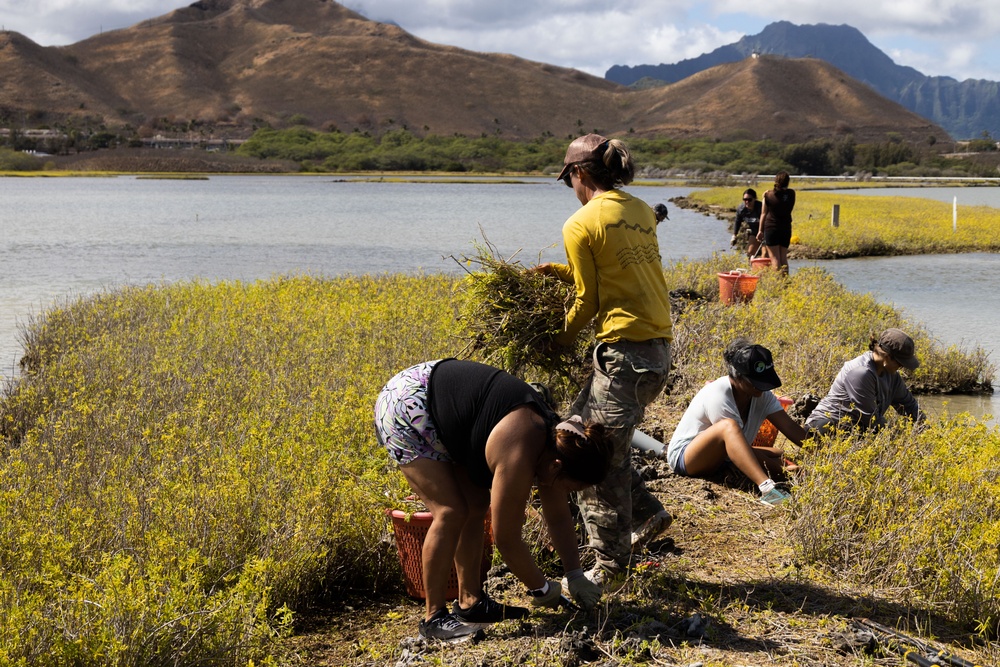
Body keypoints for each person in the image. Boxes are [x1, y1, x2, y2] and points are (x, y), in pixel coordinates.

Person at [374, 358, 613, 642]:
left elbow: (559, 517)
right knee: (450, 511)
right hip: (408, 403)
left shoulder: (556, 444)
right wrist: (542, 590)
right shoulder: (522, 449)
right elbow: (507, 540)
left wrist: (575, 574)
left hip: (450, 417)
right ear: (556, 467)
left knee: (475, 506)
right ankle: (433, 618)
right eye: (571, 487)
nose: (565, 492)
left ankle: (470, 602)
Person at [535, 133, 673, 587]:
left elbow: (586, 300)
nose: (570, 188)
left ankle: (610, 568)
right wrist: (556, 272)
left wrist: (558, 340)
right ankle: (648, 515)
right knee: (579, 427)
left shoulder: (580, 222)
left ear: (579, 174)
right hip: (655, 352)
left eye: (568, 179)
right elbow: (618, 267)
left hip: (625, 356)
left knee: (587, 455)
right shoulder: (637, 209)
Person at [665, 338, 808, 506]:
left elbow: (790, 427)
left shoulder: (762, 395)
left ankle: (785, 472)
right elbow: (734, 449)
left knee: (778, 452)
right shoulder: (719, 394)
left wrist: (827, 453)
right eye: (756, 383)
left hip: (721, 457)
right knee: (729, 426)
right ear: (737, 376)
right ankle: (768, 488)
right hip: (686, 457)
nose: (761, 388)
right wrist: (784, 472)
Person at [805, 328, 925, 435]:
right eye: (900, 363)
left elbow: (909, 406)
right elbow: (870, 418)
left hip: (855, 428)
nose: (901, 367)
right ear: (887, 357)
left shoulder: (893, 377)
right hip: (824, 426)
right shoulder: (861, 372)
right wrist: (896, 437)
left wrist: (927, 431)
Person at [756, 172, 796, 274]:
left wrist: (760, 230)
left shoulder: (768, 195)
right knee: (783, 258)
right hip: (786, 228)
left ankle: (778, 283)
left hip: (772, 228)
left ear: (776, 181)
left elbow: (763, 214)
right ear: (787, 182)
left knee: (774, 258)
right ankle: (785, 283)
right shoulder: (792, 194)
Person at [731, 188, 763, 259]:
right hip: (755, 232)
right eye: (745, 200)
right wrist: (734, 235)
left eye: (749, 200)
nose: (747, 202)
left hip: (766, 232)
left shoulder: (761, 207)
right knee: (750, 252)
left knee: (765, 254)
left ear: (755, 199)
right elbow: (737, 221)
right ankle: (752, 268)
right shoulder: (741, 209)